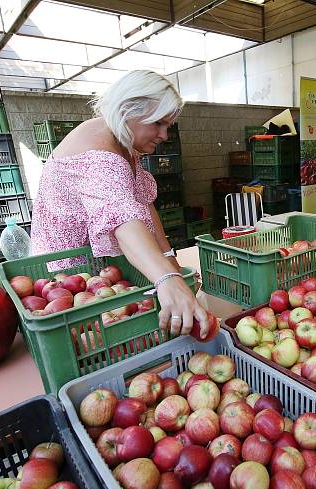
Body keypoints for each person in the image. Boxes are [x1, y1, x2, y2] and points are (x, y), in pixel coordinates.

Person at [30, 70, 210, 338]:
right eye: (157, 123)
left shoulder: (117, 138)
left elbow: (142, 204)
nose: (164, 134)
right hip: (67, 276)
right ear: (127, 111)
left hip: (100, 271)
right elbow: (124, 221)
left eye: (167, 125)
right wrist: (168, 280)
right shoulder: (102, 157)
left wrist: (169, 259)